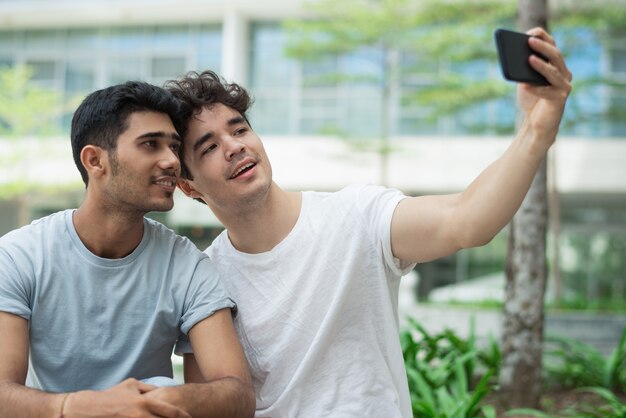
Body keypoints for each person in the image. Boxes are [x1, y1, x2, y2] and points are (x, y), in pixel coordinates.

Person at [167, 27, 572, 417]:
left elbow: (467, 221)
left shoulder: (356, 216)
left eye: (240, 129)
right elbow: (212, 404)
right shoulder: (206, 281)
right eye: (210, 148)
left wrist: (536, 130)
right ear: (189, 187)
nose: (235, 147)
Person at [0, 81, 255, 418]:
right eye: (150, 144)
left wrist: (158, 399)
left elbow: (237, 393)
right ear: (95, 161)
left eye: (174, 146)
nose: (171, 161)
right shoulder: (19, 256)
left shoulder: (187, 264)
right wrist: (77, 407)